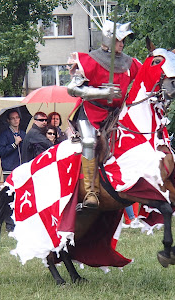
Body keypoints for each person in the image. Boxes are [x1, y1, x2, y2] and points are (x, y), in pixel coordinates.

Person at [67, 20, 141, 208]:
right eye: (118, 40)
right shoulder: (90, 60)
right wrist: (101, 93)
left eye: (123, 40)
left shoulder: (129, 63)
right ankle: (91, 192)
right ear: (108, 39)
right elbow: (72, 89)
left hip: (115, 114)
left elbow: (145, 77)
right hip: (91, 112)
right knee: (90, 142)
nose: (122, 44)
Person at [0, 109, 26, 180]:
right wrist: (14, 144)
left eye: (17, 117)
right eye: (12, 118)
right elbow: (2, 152)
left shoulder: (23, 134)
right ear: (8, 120)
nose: (15, 120)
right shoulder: (4, 135)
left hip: (21, 169)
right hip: (9, 170)